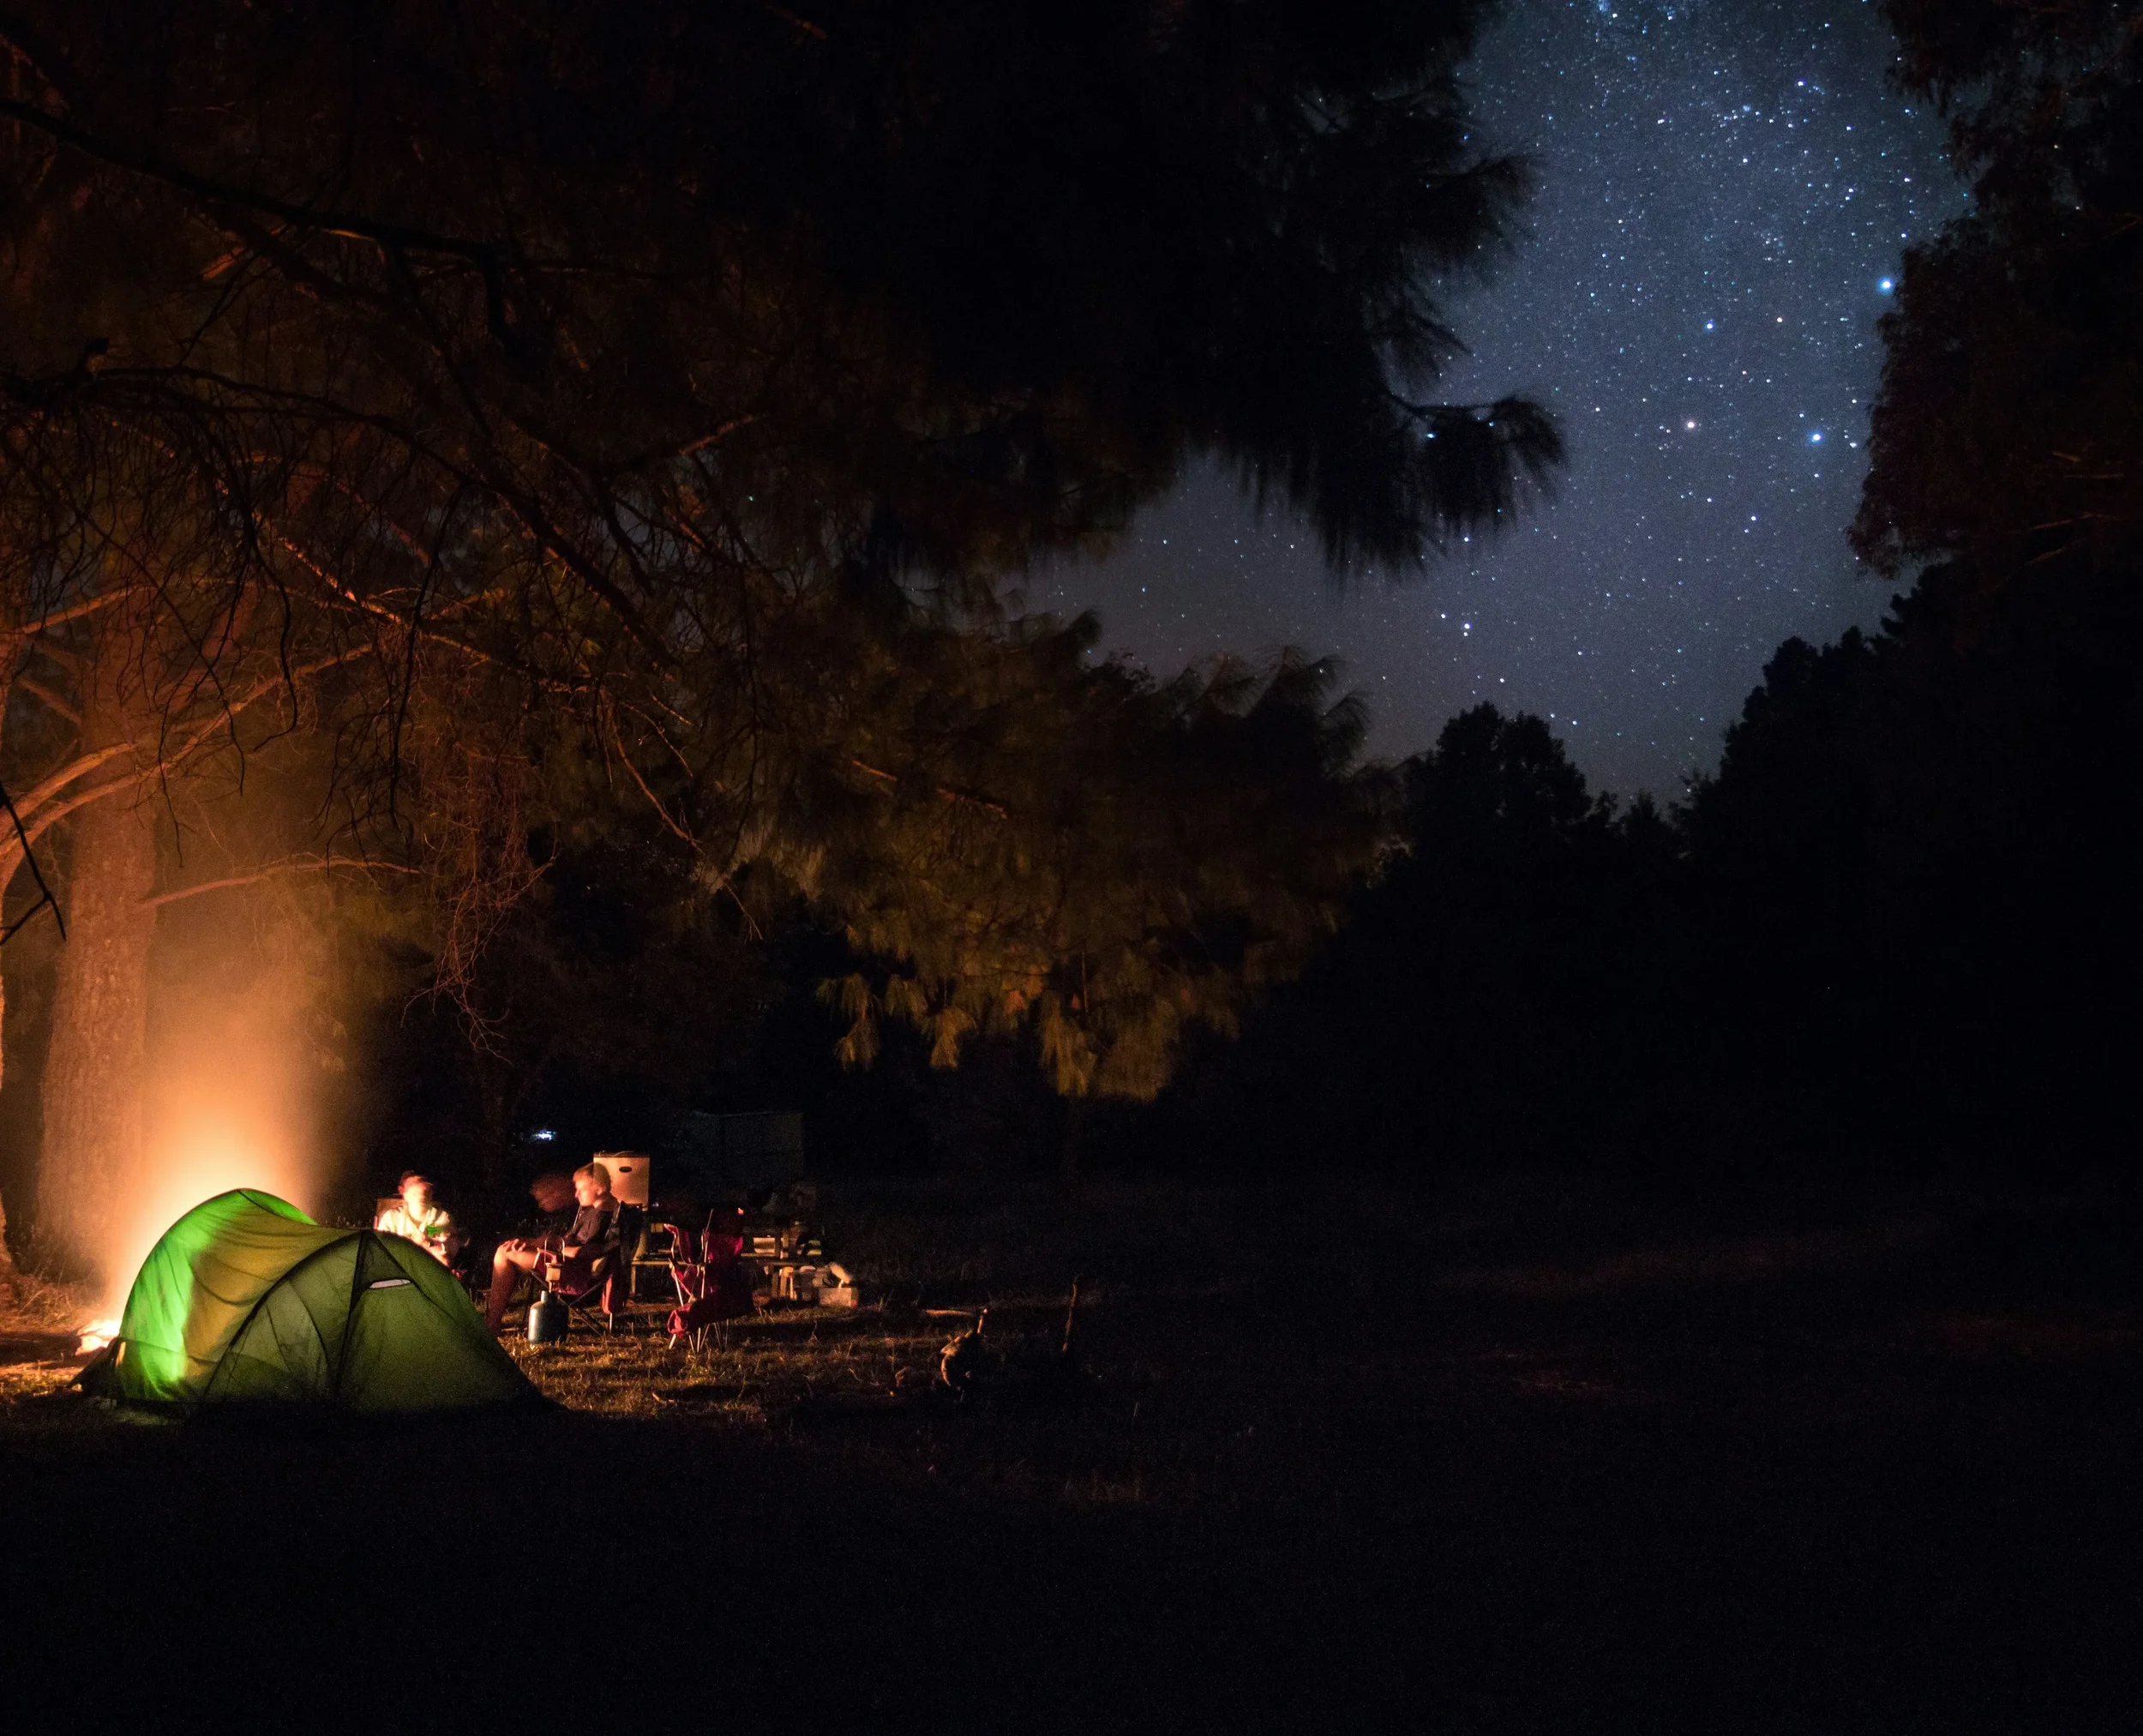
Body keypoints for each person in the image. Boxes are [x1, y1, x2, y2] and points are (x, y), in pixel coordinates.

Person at [485, 1161, 621, 1332]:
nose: (576, 1194)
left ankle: (492, 1323)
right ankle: (492, 1320)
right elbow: (571, 1241)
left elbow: (586, 1252)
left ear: (600, 1188)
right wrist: (534, 1242)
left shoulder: (602, 1215)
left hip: (572, 1273)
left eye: (581, 1189)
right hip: (567, 1265)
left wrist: (555, 1247)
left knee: (504, 1254)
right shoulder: (596, 1211)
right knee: (508, 1248)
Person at [374, 1171, 465, 1267]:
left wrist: (429, 1243)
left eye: (425, 1192)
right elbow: (380, 1250)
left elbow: (448, 1253)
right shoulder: (392, 1218)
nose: (421, 1195)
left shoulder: (441, 1218)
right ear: (404, 1194)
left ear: (431, 1194)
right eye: (415, 1192)